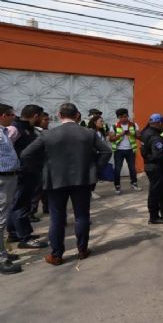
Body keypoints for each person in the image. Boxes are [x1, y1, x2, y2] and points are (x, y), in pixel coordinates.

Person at [21, 103, 112, 266]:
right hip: (82, 180)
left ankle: (56, 255)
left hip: (55, 180)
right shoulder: (88, 133)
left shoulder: (48, 135)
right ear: (77, 115)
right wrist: (94, 169)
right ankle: (82, 250)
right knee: (82, 215)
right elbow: (106, 151)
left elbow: (26, 154)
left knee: (57, 218)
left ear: (59, 115)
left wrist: (42, 169)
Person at [6, 104, 48, 249]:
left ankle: (14, 233)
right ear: (36, 116)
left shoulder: (29, 129)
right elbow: (5, 148)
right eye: (42, 116)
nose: (43, 119)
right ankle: (25, 237)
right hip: (22, 173)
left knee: (17, 204)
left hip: (30, 172)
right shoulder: (15, 128)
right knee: (21, 206)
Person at [140, 113, 163, 224]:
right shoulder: (156, 137)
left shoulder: (146, 132)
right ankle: (154, 217)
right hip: (157, 168)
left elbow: (145, 152)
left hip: (151, 166)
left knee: (162, 191)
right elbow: (158, 155)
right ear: (159, 123)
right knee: (156, 192)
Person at [0, 103, 22, 274]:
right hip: (2, 179)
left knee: (4, 218)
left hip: (9, 178)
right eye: (11, 114)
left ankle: (3, 252)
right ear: (2, 116)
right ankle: (1, 259)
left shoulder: (4, 132)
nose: (14, 117)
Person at [108, 108, 141, 195]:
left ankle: (134, 184)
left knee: (132, 168)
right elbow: (111, 139)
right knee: (117, 169)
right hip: (119, 151)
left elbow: (139, 136)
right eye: (121, 117)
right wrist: (120, 134)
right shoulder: (114, 126)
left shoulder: (134, 125)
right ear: (118, 117)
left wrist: (132, 133)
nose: (124, 118)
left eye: (126, 116)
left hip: (131, 150)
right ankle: (117, 187)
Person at [88, 115, 107, 200]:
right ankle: (90, 191)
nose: (102, 123)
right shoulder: (91, 132)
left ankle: (91, 191)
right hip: (93, 156)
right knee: (93, 174)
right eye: (101, 121)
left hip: (100, 156)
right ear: (95, 122)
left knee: (96, 174)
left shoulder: (100, 132)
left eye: (103, 121)